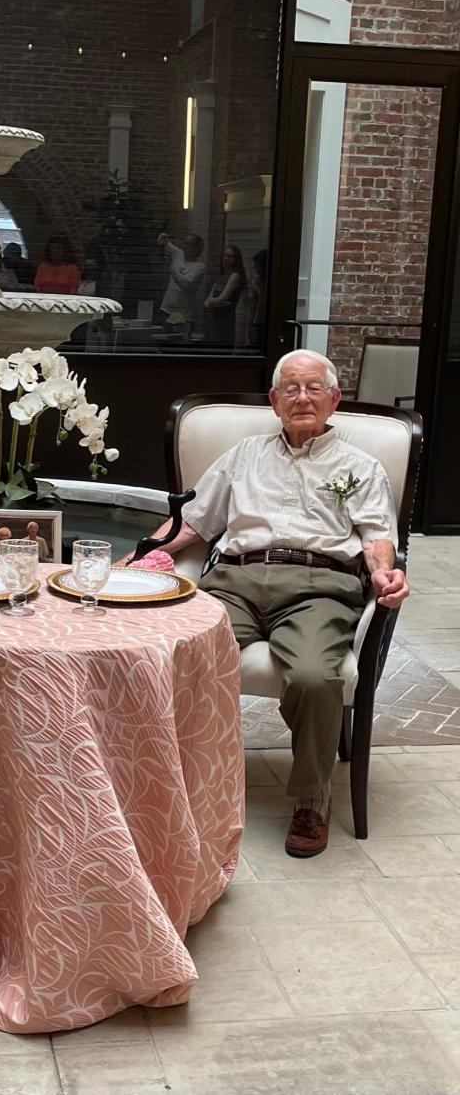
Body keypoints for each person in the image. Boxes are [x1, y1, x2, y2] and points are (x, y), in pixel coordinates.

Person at [132, 349, 408, 858]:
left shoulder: (360, 466)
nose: (303, 398)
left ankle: (311, 796)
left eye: (314, 388)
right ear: (274, 401)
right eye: (292, 389)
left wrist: (384, 574)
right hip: (234, 578)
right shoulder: (243, 455)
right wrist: (138, 556)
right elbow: (192, 523)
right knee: (167, 653)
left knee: (312, 675)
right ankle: (168, 786)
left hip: (318, 585)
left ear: (334, 399)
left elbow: (375, 535)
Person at [157, 232, 205, 333]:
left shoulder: (200, 267)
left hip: (185, 316)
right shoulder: (178, 254)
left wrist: (171, 267)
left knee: (180, 346)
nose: (185, 246)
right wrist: (164, 236)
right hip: (167, 311)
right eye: (185, 243)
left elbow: (186, 284)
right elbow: (161, 241)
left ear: (198, 248)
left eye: (189, 244)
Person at [202, 244, 247, 350]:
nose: (226, 258)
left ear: (236, 259)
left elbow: (221, 299)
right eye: (224, 255)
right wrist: (215, 302)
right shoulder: (221, 278)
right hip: (213, 320)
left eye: (230, 256)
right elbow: (206, 303)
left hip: (225, 322)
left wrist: (214, 302)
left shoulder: (235, 276)